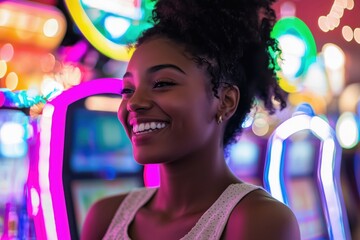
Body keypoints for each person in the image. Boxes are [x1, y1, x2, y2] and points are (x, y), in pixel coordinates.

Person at [81, 0, 301, 239]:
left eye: (162, 83)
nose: (133, 103)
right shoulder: (104, 216)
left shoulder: (259, 220)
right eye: (127, 90)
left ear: (225, 101)